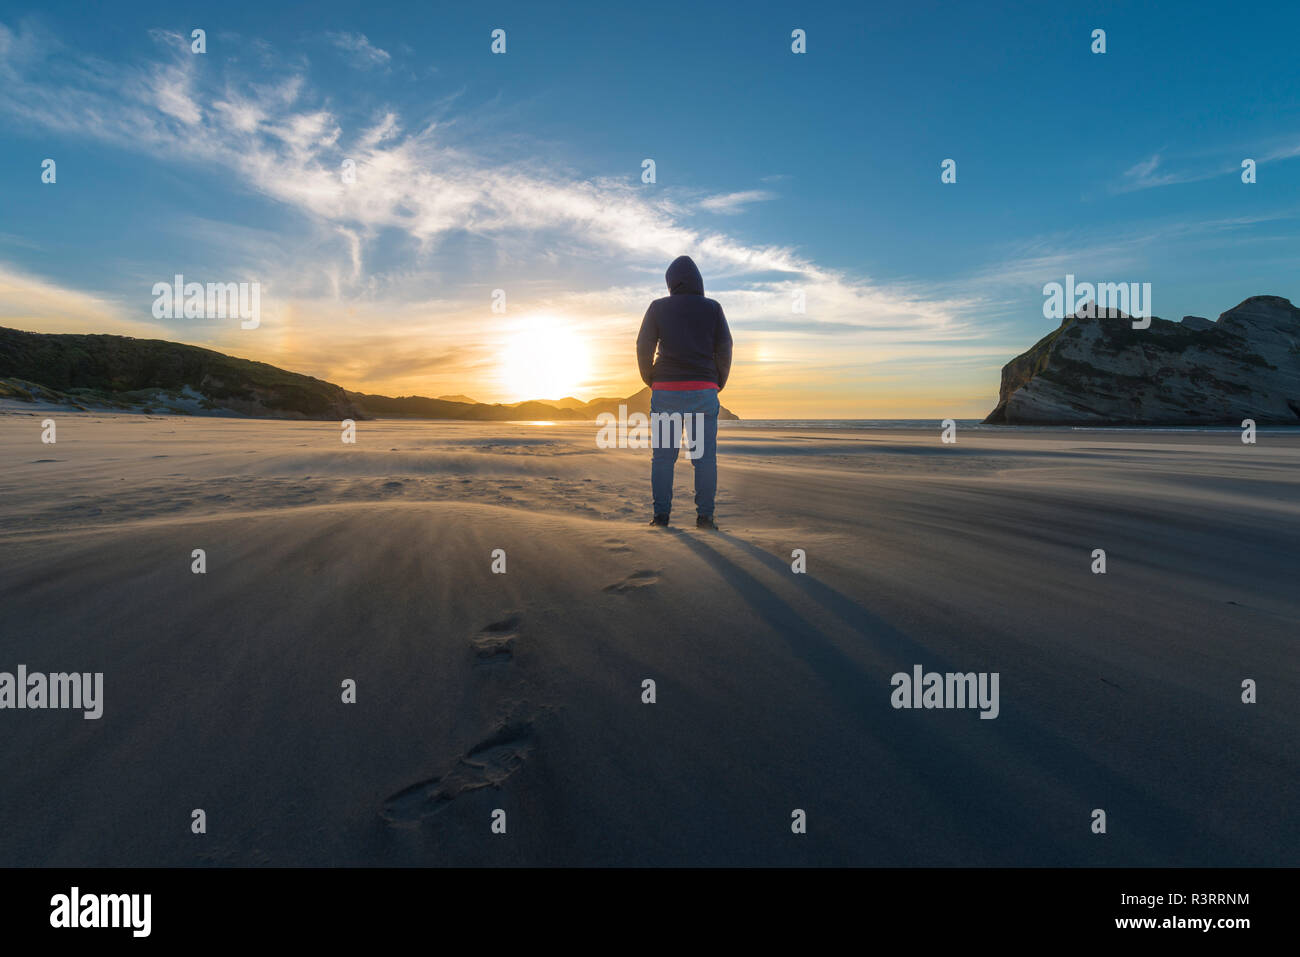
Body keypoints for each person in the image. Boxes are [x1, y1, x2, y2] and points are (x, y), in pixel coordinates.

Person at [635, 255, 733, 529]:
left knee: (664, 458)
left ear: (671, 283)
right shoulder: (713, 308)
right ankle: (705, 518)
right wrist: (718, 381)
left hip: (666, 391)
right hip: (703, 391)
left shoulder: (657, 308)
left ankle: (661, 517)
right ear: (698, 281)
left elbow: (643, 345)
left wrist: (650, 379)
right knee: (704, 460)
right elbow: (725, 347)